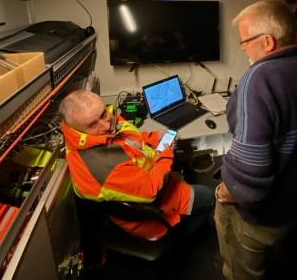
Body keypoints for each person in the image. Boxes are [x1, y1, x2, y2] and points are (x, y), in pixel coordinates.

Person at [214, 0, 297, 280]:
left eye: (244, 42)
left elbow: (249, 179)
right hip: (292, 202)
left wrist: (223, 193)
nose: (243, 48)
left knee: (240, 271)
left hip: (258, 216)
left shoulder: (258, 79)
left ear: (267, 41)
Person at [59, 90, 214, 240]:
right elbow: (152, 191)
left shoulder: (106, 125)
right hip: (152, 212)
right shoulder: (101, 167)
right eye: (92, 125)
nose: (106, 125)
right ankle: (182, 238)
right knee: (208, 197)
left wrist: (155, 139)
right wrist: (165, 154)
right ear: (78, 130)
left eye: (103, 114)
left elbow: (132, 137)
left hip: (151, 174)